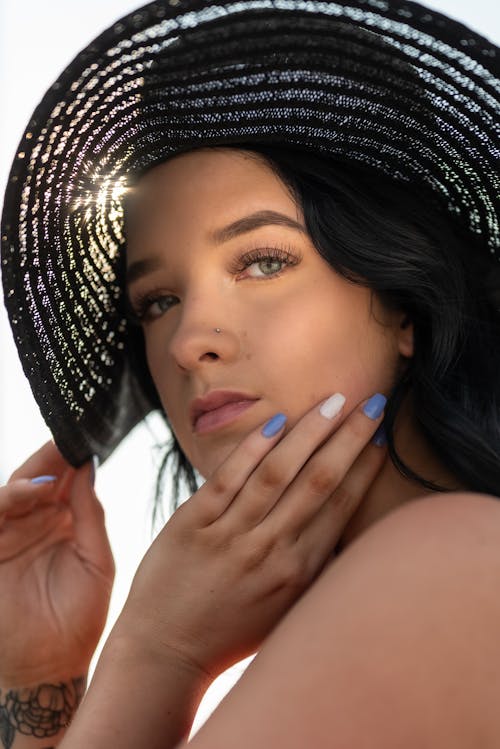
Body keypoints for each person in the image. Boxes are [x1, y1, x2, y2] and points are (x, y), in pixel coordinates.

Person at [1, 0, 499, 746]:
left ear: (404, 300)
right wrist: (42, 674)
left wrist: (156, 653)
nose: (186, 340)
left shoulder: (450, 561)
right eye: (158, 299)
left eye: (263, 261)